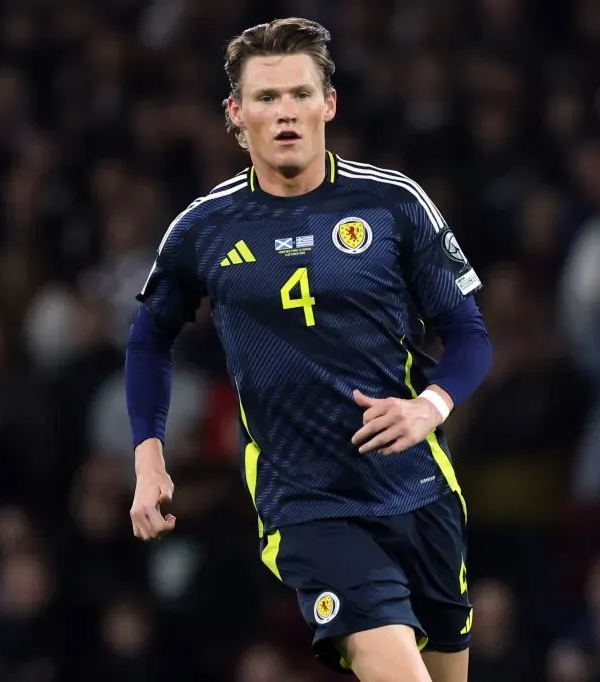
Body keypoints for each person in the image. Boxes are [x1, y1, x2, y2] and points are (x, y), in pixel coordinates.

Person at [123, 17, 492, 682]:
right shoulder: (203, 229)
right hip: (307, 503)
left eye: (299, 93)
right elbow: (149, 339)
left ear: (330, 102)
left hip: (419, 489)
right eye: (266, 98)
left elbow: (469, 335)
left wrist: (429, 408)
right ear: (236, 115)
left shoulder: (393, 204)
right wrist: (149, 461)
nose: (285, 112)